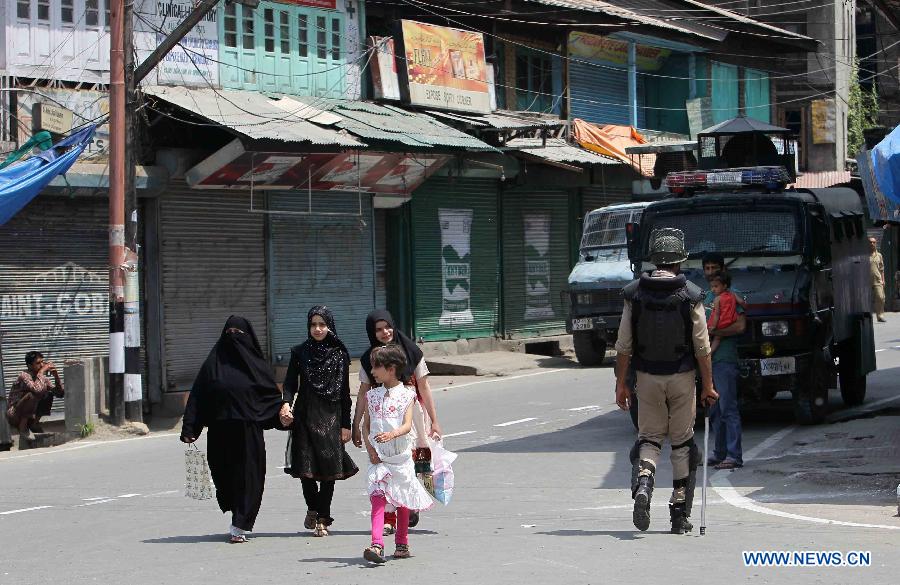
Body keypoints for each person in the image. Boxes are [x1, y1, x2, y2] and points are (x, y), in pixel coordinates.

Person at [614, 228, 718, 534]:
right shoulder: (692, 295)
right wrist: (709, 386)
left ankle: (644, 483)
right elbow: (702, 347)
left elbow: (623, 346)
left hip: (646, 377)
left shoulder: (633, 294)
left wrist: (621, 384)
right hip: (682, 377)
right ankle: (678, 511)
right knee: (683, 443)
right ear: (679, 261)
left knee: (649, 439)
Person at [180, 316, 284, 543]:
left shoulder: (257, 366)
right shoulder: (213, 363)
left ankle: (240, 523)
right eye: (230, 332)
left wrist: (282, 415)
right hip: (219, 432)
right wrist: (191, 427)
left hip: (248, 433)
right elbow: (199, 395)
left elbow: (270, 397)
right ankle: (235, 510)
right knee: (225, 477)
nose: (233, 337)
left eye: (239, 332)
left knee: (249, 477)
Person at [352, 309, 442, 534]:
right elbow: (363, 391)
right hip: (383, 419)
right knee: (384, 468)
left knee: (410, 466)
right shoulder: (368, 360)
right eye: (378, 329)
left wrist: (434, 421)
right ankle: (389, 518)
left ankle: (408, 505)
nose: (384, 332)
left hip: (411, 418)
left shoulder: (412, 351)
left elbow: (424, 386)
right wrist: (356, 424)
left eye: (387, 327)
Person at [279, 306, 358, 537]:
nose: (317, 329)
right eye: (313, 324)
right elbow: (290, 383)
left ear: (329, 326)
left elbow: (345, 392)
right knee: (305, 469)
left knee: (329, 471)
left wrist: (346, 424)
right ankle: (313, 507)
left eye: (322, 324)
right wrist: (285, 403)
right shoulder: (300, 352)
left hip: (331, 418)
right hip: (304, 415)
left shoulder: (339, 353)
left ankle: (323, 517)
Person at [362, 344, 434, 564]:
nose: (372, 372)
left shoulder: (407, 395)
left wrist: (392, 434)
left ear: (391, 368)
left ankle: (402, 542)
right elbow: (367, 426)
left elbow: (407, 425)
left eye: (376, 367)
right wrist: (371, 449)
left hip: (400, 458)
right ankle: (377, 544)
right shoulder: (371, 396)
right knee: (378, 500)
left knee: (402, 501)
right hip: (380, 459)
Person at [705, 271, 745, 470]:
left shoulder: (732, 296)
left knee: (728, 408)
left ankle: (734, 456)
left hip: (725, 360)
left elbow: (740, 326)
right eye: (707, 268)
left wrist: (714, 331)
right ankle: (720, 453)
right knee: (715, 410)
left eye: (714, 268)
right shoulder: (706, 297)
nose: (710, 272)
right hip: (709, 363)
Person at [6, 351, 64, 442]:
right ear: (29, 366)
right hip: (15, 415)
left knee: (48, 395)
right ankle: (23, 427)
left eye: (42, 362)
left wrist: (56, 376)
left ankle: (34, 424)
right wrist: (42, 371)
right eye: (38, 363)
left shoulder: (42, 378)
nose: (41, 365)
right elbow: (37, 390)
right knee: (33, 394)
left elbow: (60, 393)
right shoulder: (24, 375)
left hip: (29, 415)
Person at [707, 271, 740, 356]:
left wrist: (713, 327)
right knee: (717, 339)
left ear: (725, 286)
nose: (712, 289)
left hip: (720, 323)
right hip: (730, 321)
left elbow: (717, 314)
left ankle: (708, 354)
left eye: (715, 286)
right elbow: (742, 303)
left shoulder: (717, 299)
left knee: (709, 335)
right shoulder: (732, 295)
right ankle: (710, 353)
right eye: (711, 287)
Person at [870, 237, 886, 322]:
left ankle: (880, 316)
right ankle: (868, 316)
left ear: (876, 244)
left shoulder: (879, 255)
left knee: (880, 297)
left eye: (873, 242)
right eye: (870, 242)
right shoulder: (864, 255)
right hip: (867, 281)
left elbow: (882, 269)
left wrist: (883, 280)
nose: (872, 244)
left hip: (877, 280)